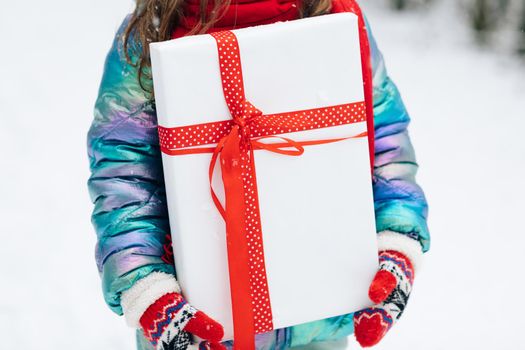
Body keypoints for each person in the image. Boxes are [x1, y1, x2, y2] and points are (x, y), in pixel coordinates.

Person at [87, 0, 430, 349]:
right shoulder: (150, 33)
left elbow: (385, 144)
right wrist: (146, 286)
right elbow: (123, 173)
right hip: (196, 329)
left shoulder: (334, 17)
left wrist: (397, 241)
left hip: (318, 328)